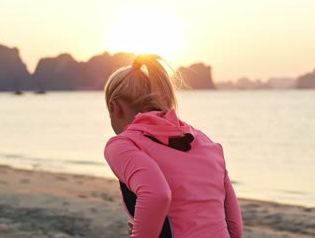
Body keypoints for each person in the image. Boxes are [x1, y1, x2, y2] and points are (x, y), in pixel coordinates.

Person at [103, 54, 243, 238]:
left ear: (115, 107)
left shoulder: (124, 144)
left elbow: (157, 194)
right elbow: (234, 227)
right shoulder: (203, 141)